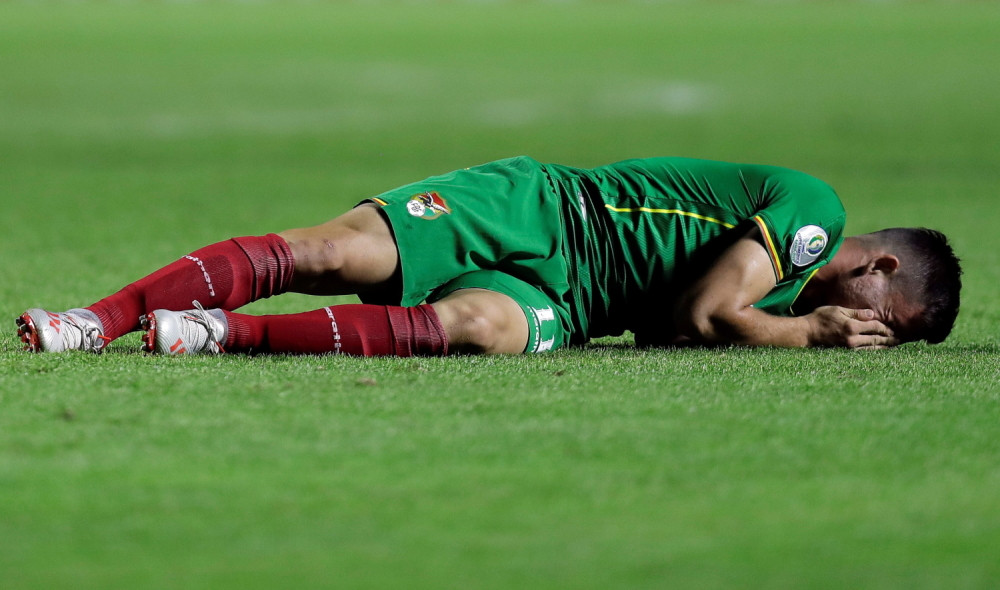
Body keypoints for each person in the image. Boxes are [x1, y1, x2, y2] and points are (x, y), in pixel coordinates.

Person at [16, 156, 962, 356]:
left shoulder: (792, 291)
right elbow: (706, 314)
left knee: (482, 328)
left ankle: (215, 334)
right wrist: (806, 340)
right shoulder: (813, 217)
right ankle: (94, 319)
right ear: (877, 271)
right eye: (890, 320)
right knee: (330, 253)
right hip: (539, 211)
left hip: (567, 299)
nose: (868, 331)